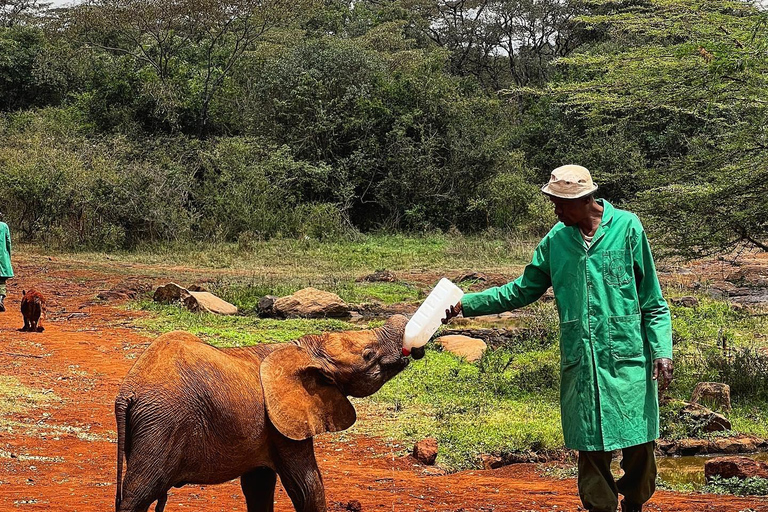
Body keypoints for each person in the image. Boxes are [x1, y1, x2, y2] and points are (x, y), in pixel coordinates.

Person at [443, 165, 673, 512]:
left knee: (640, 443)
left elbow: (653, 302)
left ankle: (635, 503)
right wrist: (467, 303)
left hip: (628, 361)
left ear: (584, 199)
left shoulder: (628, 228)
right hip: (581, 363)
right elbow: (521, 290)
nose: (556, 211)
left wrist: (662, 350)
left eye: (561, 204)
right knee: (590, 447)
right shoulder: (556, 241)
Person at [0, 213, 12, 312]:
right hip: (2, 256)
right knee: (2, 281)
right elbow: (8, 242)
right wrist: (8, 255)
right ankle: (0, 299)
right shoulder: (4, 226)